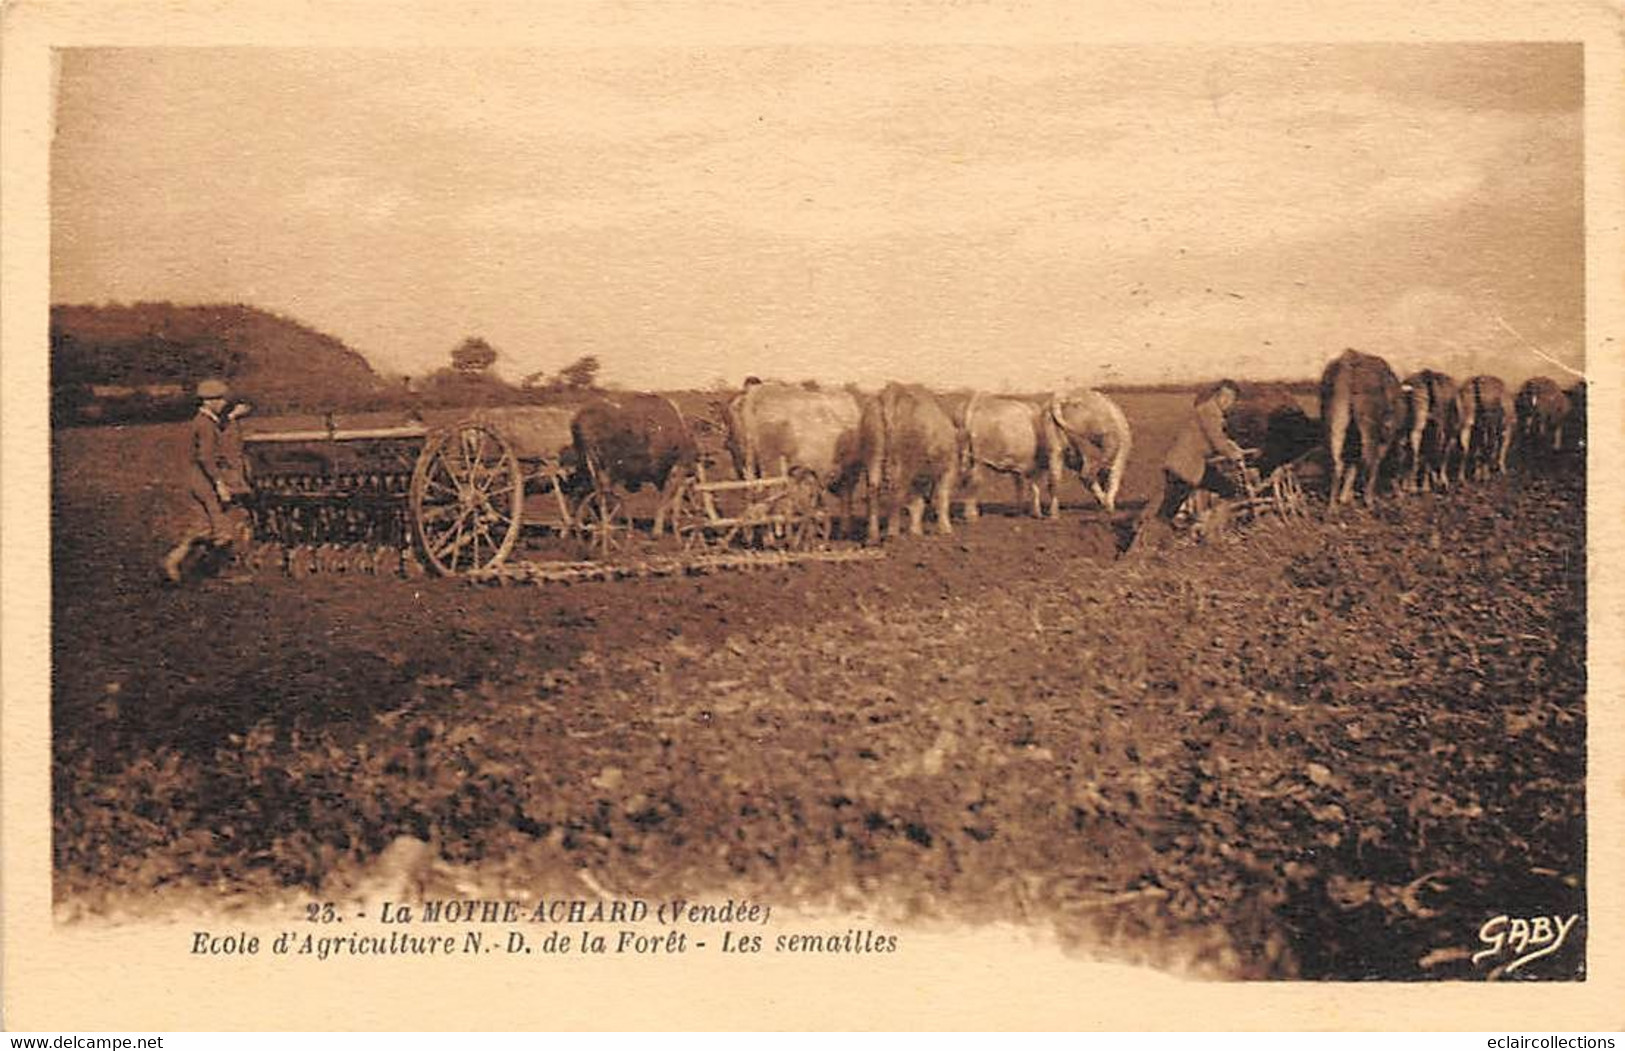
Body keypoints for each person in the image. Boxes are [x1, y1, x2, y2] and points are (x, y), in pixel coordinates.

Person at [1124, 379, 1250, 555]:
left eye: (1231, 399)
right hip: (1186, 468)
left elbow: (1216, 439)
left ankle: (1199, 532)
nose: (1228, 402)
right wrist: (1233, 455)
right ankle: (1145, 548)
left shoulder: (1209, 411)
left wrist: (1233, 447)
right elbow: (1217, 441)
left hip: (1187, 465)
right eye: (1225, 397)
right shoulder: (1209, 412)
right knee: (1226, 491)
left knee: (1223, 489)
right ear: (1218, 396)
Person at [162, 378, 253, 583]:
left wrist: (232, 416)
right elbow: (206, 457)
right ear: (208, 401)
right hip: (205, 482)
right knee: (223, 531)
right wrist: (219, 484)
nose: (223, 402)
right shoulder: (204, 424)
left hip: (197, 480)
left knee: (203, 529)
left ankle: (173, 563)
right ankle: (215, 572)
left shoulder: (204, 421)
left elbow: (217, 433)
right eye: (219, 399)